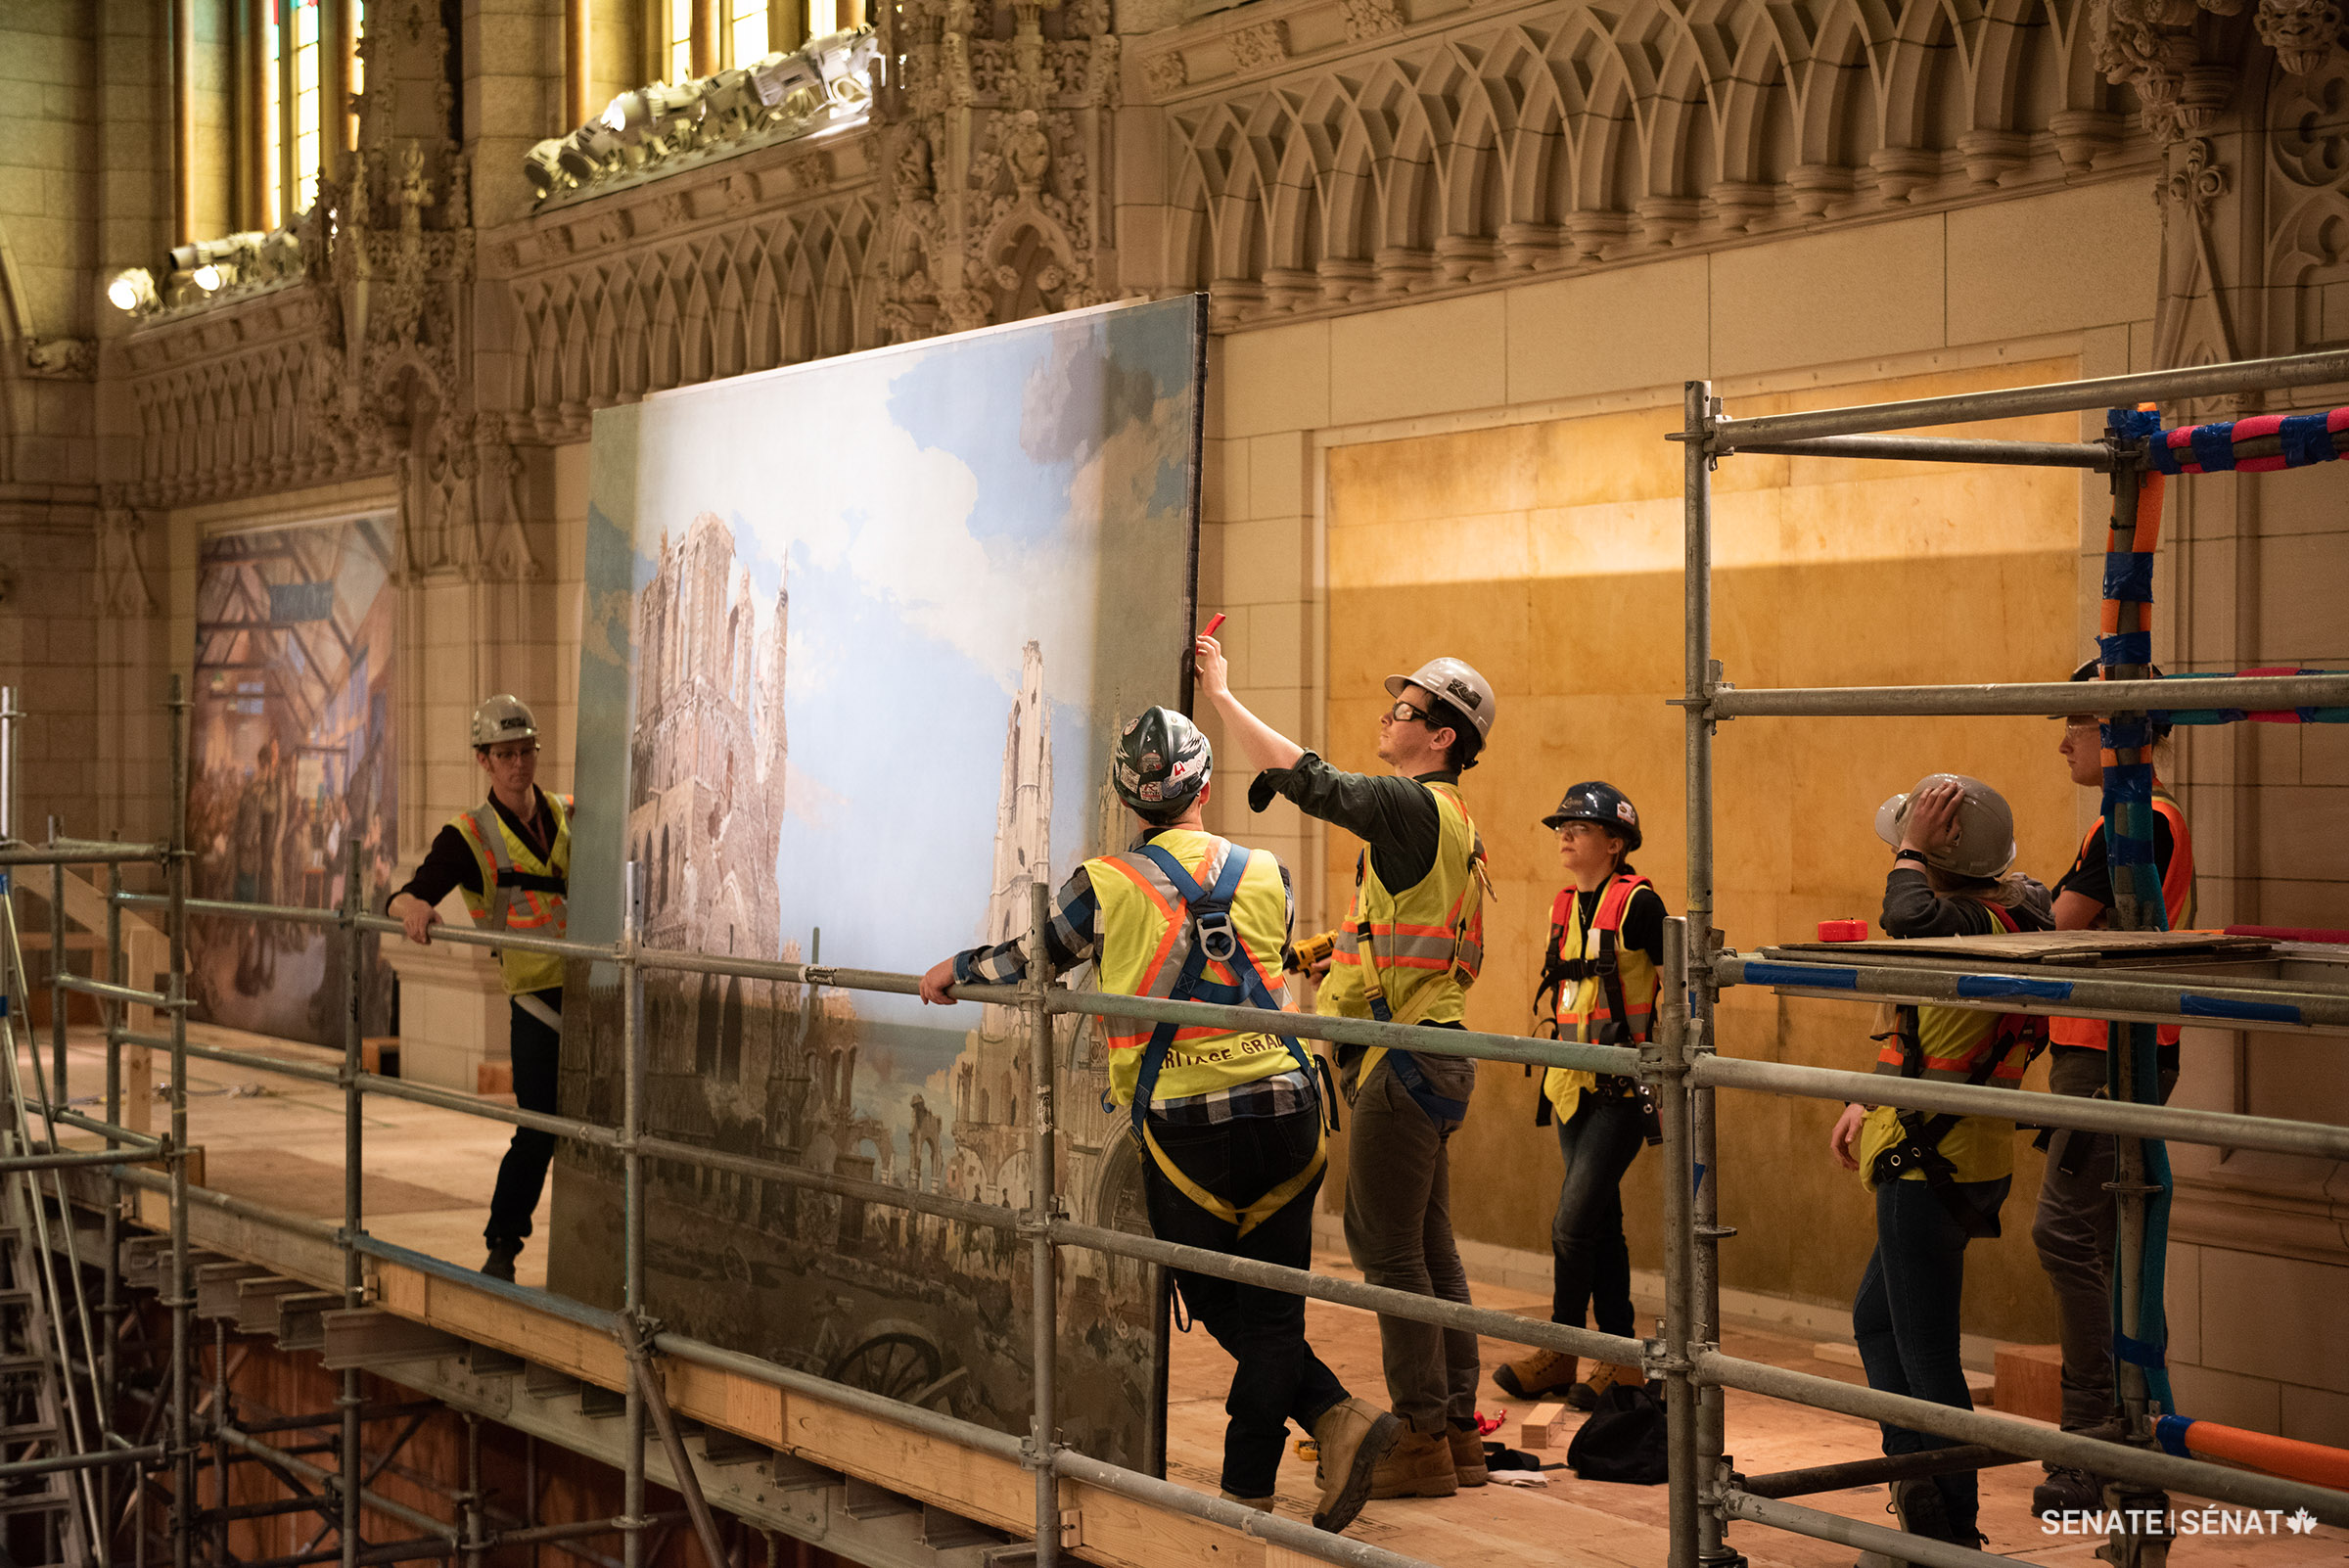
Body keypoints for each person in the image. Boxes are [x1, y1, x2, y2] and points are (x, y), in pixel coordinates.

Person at [915, 708, 1399, 1534]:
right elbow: (1272, 967)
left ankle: (1294, 1451)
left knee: (1216, 1300)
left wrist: (953, 971)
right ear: (1204, 787)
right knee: (1275, 1308)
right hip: (1289, 1111)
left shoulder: (1102, 886)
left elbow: (1024, 963)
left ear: (1128, 800)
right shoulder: (1265, 872)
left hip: (1185, 1131)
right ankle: (1308, 1441)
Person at [1196, 637, 1495, 1500]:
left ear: (1440, 738)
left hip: (1404, 1063)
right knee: (1429, 1251)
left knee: (1387, 1252)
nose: (1388, 716)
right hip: (1432, 1054)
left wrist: (1222, 694)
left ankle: (1424, 1437)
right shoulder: (1450, 822)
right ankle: (1459, 1432)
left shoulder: (1412, 806)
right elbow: (1393, 935)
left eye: (1405, 711)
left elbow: (1312, 779)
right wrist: (1321, 953)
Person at [1829, 775, 2053, 1554]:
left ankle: (1950, 1523)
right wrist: (1868, 1094)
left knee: (1926, 1355)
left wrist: (1914, 850)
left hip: (1929, 1162)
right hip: (1962, 1153)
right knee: (1877, 1322)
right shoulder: (2018, 909)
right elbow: (1935, 1041)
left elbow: (1906, 916)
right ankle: (1919, 1483)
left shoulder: (1964, 923)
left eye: (1914, 849)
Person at [2029, 660, 2195, 1517]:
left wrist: (2022, 901)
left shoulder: (2140, 820)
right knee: (2116, 1245)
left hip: (2111, 1060)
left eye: (2081, 722)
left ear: (2122, 729)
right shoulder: (2123, 820)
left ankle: (2092, 1439)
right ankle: (2131, 1431)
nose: (2065, 738)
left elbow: (2061, 926)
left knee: (2069, 1239)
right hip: (2105, 1056)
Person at [385, 695, 574, 1283]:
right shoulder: (469, 834)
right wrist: (411, 907)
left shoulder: (568, 813)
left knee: (612, 1134)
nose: (519, 764)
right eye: (505, 755)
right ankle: (503, 1246)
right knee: (539, 1126)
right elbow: (409, 892)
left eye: (526, 752)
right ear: (483, 762)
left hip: (597, 996)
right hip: (538, 1000)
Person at [1494, 782, 1663, 1410]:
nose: (1565, 834)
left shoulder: (1641, 904)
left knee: (1571, 1226)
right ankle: (1616, 1362)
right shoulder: (1563, 905)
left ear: (1615, 843)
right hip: (1570, 1084)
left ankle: (1568, 1350)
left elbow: (1689, 978)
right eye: (1561, 825)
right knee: (1601, 1225)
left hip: (1622, 1088)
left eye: (1580, 827)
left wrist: (1671, 1059)